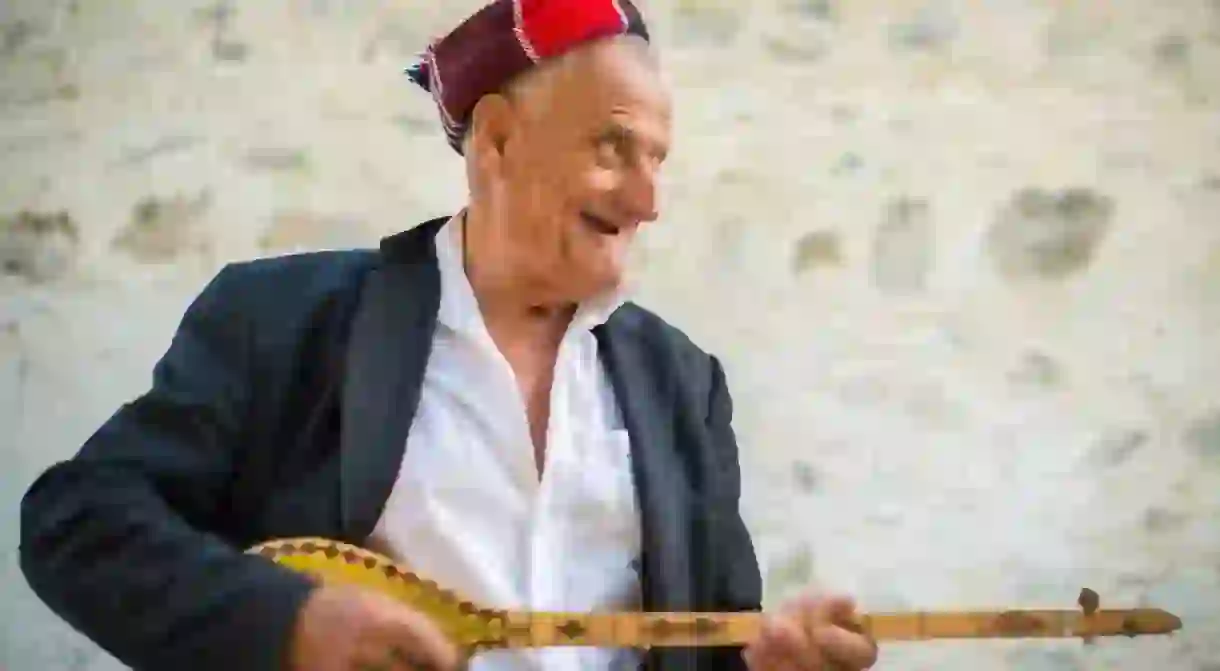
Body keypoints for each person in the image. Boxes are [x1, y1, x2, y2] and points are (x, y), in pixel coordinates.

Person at [18, 1, 879, 670]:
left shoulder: (684, 384)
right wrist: (289, 623)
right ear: (498, 140)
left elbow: (708, 638)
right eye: (614, 147)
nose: (648, 201)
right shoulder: (281, 320)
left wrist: (772, 661)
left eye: (659, 160)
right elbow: (77, 522)